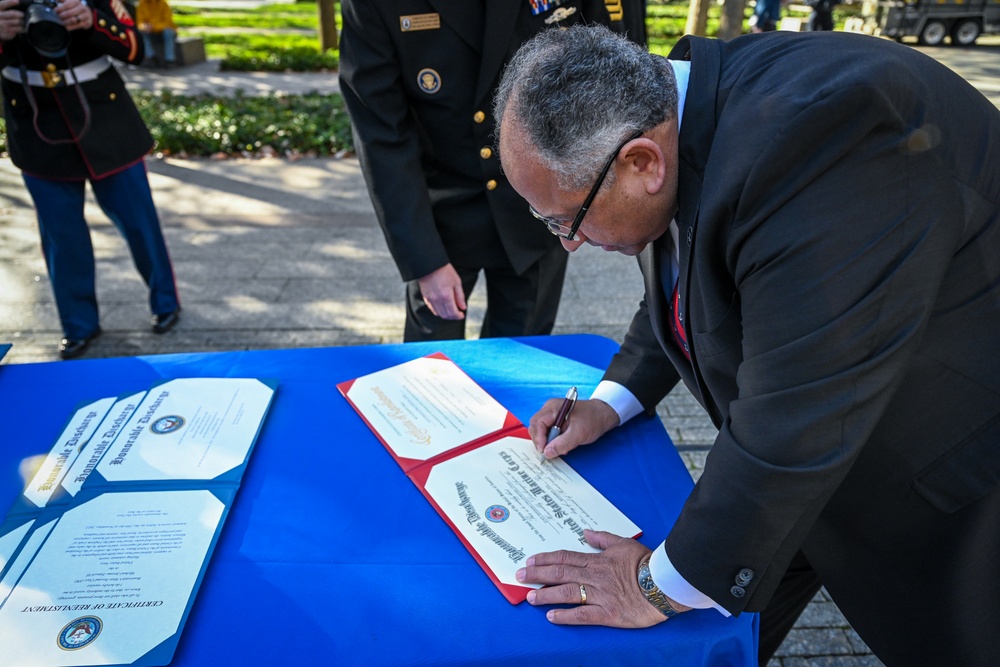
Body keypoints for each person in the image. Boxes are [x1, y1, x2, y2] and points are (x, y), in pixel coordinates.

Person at [494, 25, 1000, 666]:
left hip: (948, 478)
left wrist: (652, 584)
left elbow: (799, 414)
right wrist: (613, 400)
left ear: (642, 163)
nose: (565, 243)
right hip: (810, 465)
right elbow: (690, 270)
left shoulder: (826, 141)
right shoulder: (680, 107)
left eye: (566, 220)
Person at [338, 0, 617, 343]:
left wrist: (584, 198)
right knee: (430, 371)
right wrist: (423, 260)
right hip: (439, 213)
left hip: (538, 206)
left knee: (520, 365)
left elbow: (600, 70)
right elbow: (382, 134)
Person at [0, 0, 181, 359]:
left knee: (139, 224)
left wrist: (92, 20)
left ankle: (166, 303)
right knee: (61, 237)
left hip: (107, 123)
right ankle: (78, 325)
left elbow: (138, 48)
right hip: (35, 127)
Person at [135, 0, 176, 68]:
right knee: (141, 33)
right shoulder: (142, 4)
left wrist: (153, 27)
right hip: (150, 32)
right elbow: (139, 22)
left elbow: (168, 22)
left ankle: (169, 60)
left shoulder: (163, 4)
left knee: (168, 32)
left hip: (163, 31)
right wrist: (144, 27)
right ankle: (151, 57)